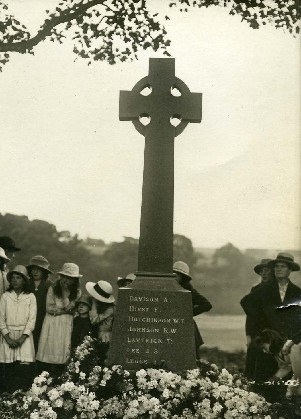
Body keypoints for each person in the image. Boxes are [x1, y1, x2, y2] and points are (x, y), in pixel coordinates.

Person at [36, 263, 81, 377]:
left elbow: (70, 307)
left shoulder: (77, 292)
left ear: (74, 279)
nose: (66, 280)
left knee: (62, 350)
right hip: (52, 322)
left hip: (65, 324)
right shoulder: (53, 288)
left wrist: (65, 293)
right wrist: (66, 311)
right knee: (50, 347)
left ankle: (58, 377)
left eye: (69, 278)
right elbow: (49, 308)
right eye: (64, 277)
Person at [0, 265, 36, 392]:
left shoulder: (30, 297)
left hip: (24, 337)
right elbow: (1, 318)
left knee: (23, 371)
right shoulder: (5, 296)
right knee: (7, 371)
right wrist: (7, 337)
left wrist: (22, 337)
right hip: (8, 336)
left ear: (24, 280)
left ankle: (20, 401)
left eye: (18, 278)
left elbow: (32, 320)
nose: (15, 280)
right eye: (13, 278)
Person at [240, 259, 278, 381]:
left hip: (273, 334)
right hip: (257, 334)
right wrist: (248, 336)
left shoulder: (277, 290)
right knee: (252, 367)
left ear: (272, 272)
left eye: (267, 270)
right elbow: (249, 317)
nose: (264, 273)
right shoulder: (255, 290)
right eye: (262, 271)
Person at [173, 261, 212, 360]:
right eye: (172, 274)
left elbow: (207, 305)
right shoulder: (167, 289)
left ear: (183, 277)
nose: (174, 277)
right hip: (171, 326)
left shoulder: (189, 290)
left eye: (177, 275)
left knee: (191, 358)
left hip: (186, 327)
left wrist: (186, 314)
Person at [27, 255, 53, 351]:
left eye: (39, 269)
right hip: (27, 319)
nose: (35, 272)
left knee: (39, 345)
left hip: (43, 319)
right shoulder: (26, 283)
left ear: (44, 271)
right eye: (33, 269)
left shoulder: (49, 285)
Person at [86, 280, 115, 360]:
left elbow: (94, 320)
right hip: (95, 333)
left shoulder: (110, 309)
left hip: (104, 336)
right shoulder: (99, 305)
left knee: (101, 356)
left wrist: (94, 303)